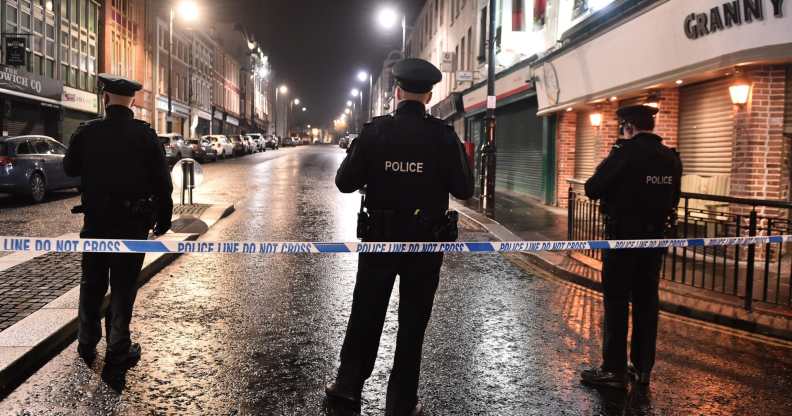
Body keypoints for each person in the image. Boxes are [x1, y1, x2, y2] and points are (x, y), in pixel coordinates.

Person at [326, 58, 474, 415]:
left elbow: (344, 182)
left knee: (366, 312)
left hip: (380, 240)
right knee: (412, 323)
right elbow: (465, 188)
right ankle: (402, 401)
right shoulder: (442, 135)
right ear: (429, 94)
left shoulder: (376, 132)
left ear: (397, 91)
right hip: (425, 245)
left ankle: (348, 387)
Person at [64, 74, 173, 374]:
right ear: (133, 101)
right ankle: (118, 349)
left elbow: (69, 167)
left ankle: (86, 343)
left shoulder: (88, 132)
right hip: (132, 225)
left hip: (96, 222)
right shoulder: (145, 135)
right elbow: (163, 184)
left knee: (92, 283)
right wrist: (163, 219)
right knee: (124, 287)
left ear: (105, 98)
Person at [581, 105, 682, 389]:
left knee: (616, 302)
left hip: (622, 240)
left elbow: (592, 188)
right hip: (655, 242)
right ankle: (642, 368)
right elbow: (674, 198)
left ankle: (614, 370)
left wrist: (614, 155)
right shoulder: (671, 158)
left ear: (627, 126)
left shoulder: (624, 154)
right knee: (647, 303)